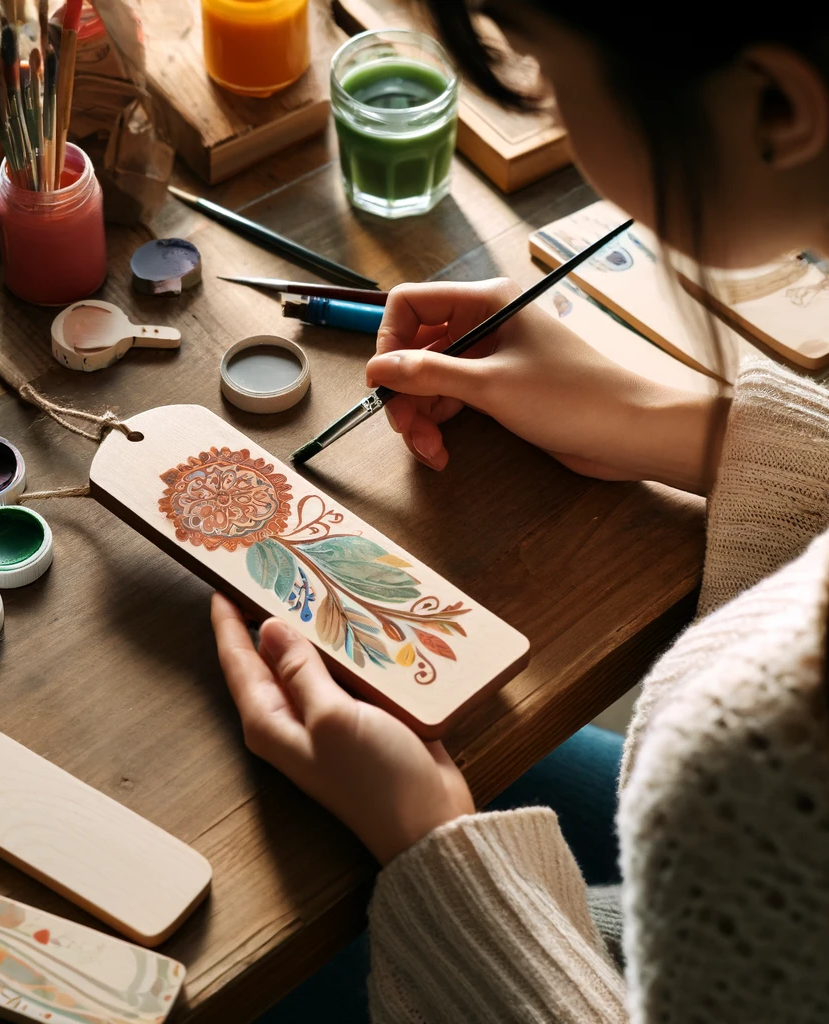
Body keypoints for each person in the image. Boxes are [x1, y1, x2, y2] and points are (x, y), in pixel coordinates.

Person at [210, 2, 829, 1020]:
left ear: (771, 104)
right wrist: (695, 428)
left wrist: (432, 847)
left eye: (541, 68)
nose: (548, 109)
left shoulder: (755, 760)